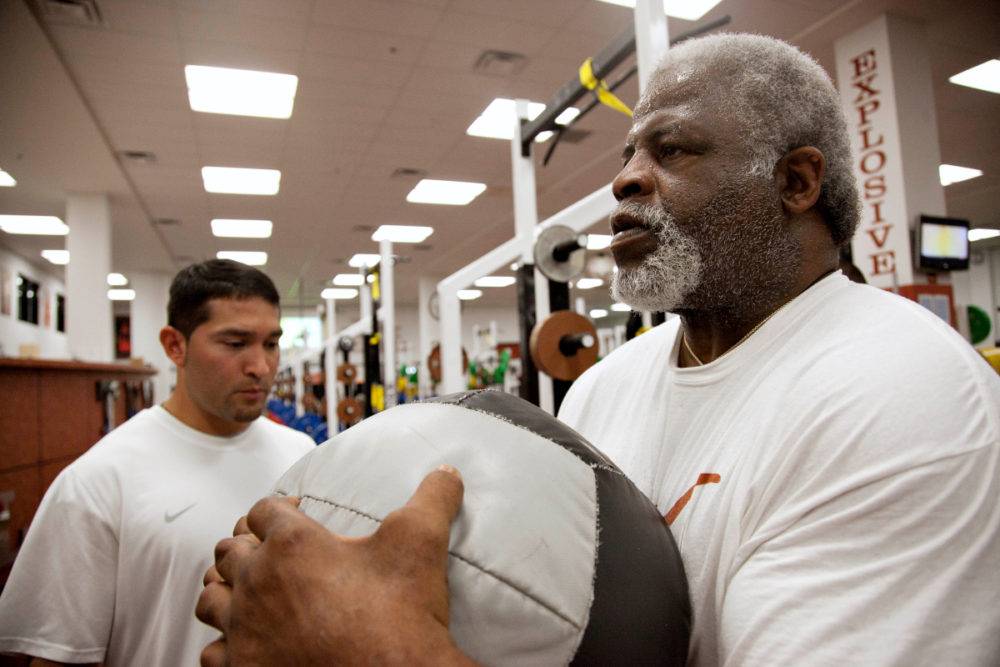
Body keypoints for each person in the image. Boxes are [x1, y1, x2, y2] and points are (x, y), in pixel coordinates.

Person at [195, 33, 1000, 666]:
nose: (626, 180)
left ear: (795, 182)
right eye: (627, 156)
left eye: (673, 149)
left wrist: (374, 649)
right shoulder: (603, 387)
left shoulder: (901, 388)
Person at [0, 259, 315, 666]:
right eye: (235, 344)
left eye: (270, 343)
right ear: (174, 346)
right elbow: (60, 656)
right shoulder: (98, 480)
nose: (261, 366)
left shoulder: (301, 453)